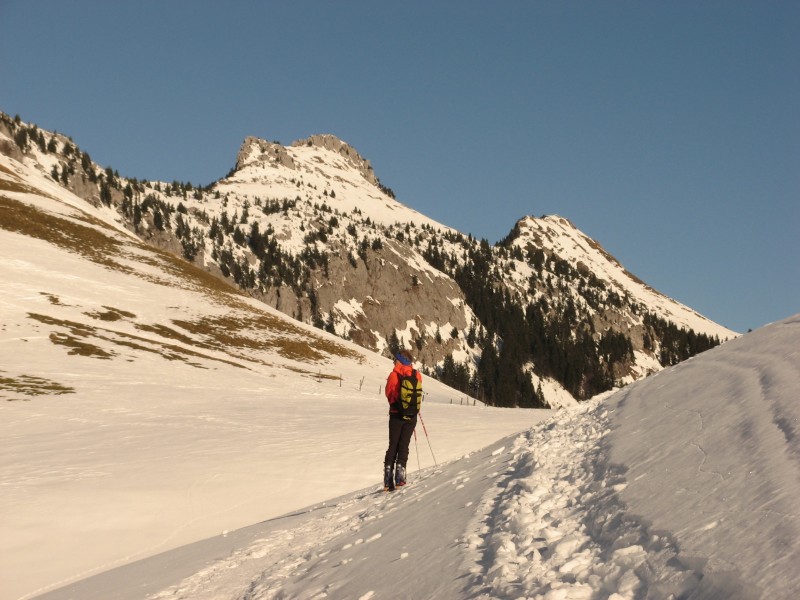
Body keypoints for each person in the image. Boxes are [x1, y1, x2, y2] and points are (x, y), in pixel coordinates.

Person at [383, 349, 422, 490]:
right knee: (404, 445)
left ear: (399, 361)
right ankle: (400, 477)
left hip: (396, 415)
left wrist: (396, 405)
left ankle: (388, 480)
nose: (393, 361)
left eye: (395, 359)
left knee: (393, 445)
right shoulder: (416, 375)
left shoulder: (394, 375)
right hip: (411, 416)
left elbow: (389, 393)